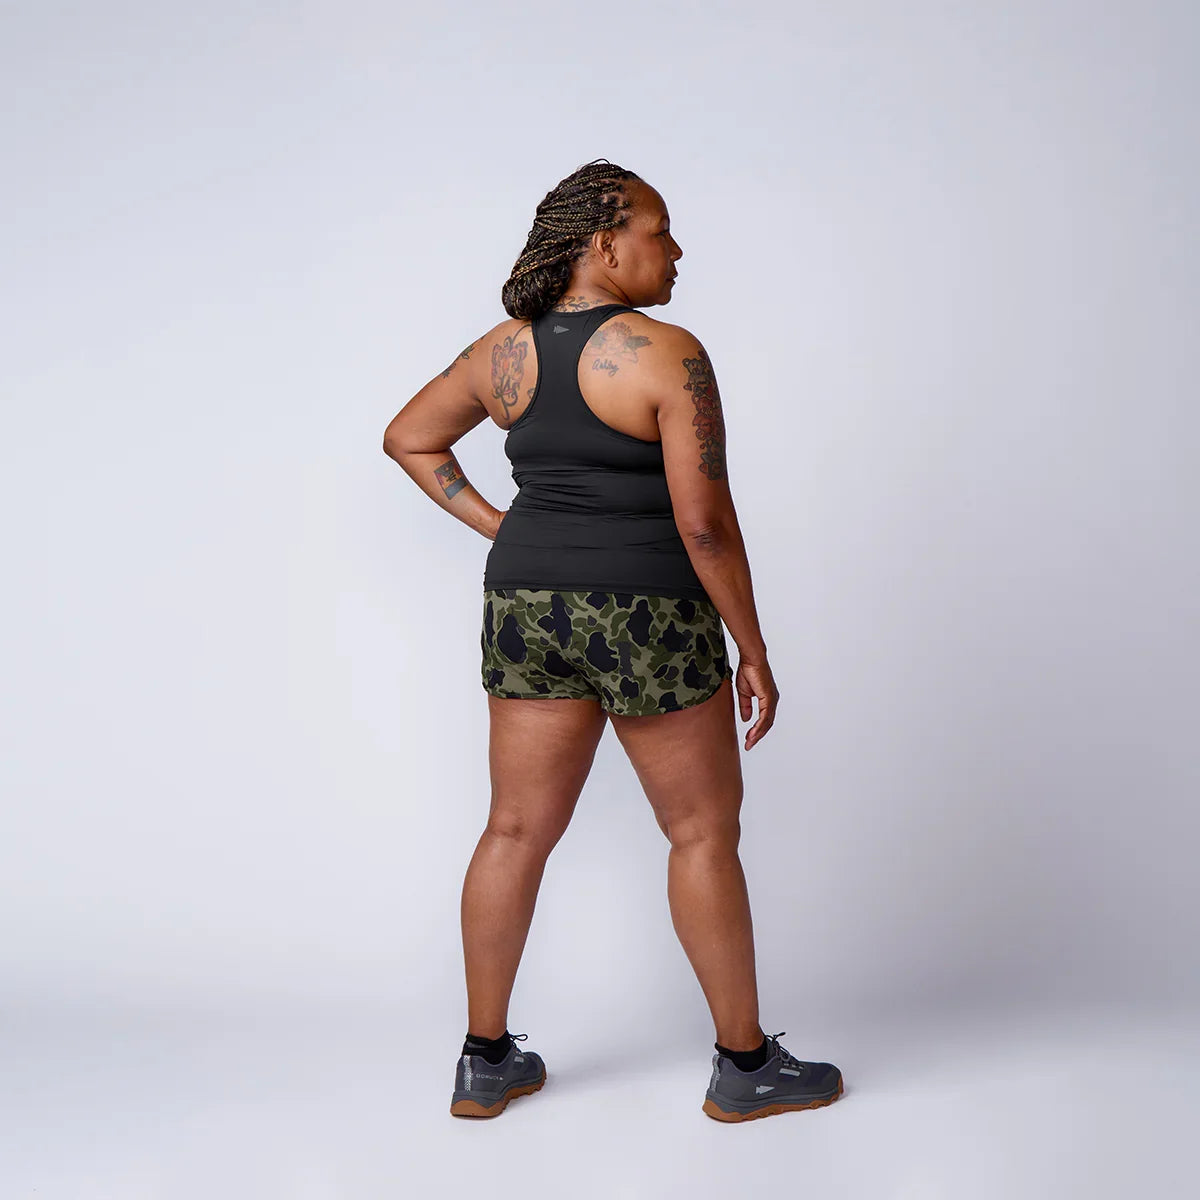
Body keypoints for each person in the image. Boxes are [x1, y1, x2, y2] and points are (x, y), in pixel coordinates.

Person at [382, 159, 843, 1122]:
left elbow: (411, 438)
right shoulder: (666, 352)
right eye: (660, 231)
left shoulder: (499, 353)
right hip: (647, 608)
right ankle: (746, 1067)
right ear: (606, 242)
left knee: (514, 828)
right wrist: (751, 645)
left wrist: (506, 527)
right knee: (701, 832)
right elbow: (705, 523)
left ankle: (484, 1057)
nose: (674, 252)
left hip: (524, 608)